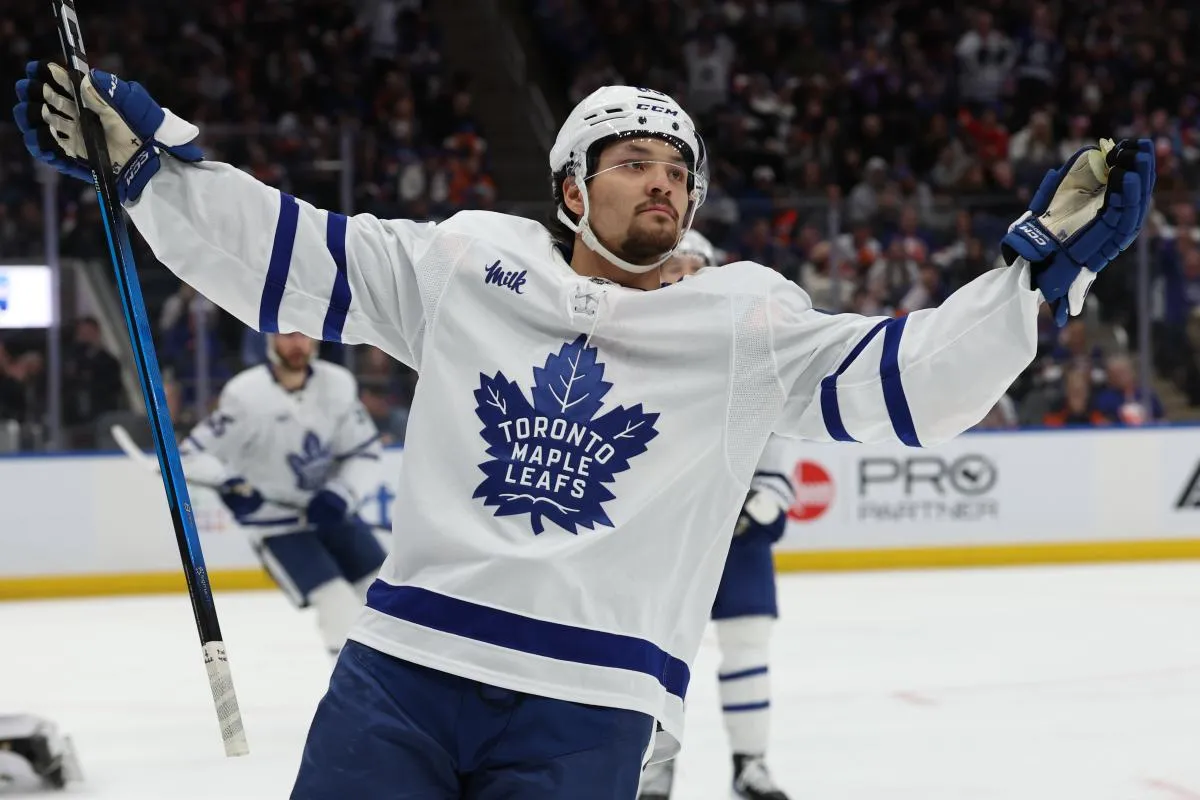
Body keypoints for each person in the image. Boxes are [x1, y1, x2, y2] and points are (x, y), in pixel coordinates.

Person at [15, 60, 1154, 798]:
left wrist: (1032, 280)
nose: (662, 184)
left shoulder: (746, 315)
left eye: (678, 171)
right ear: (570, 189)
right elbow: (289, 254)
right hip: (404, 669)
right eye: (631, 163)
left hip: (593, 706)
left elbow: (905, 385)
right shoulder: (467, 261)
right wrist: (146, 169)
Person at [641, 230, 795, 800]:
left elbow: (775, 445)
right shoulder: (634, 343)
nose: (682, 274)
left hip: (735, 536)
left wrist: (761, 504)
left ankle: (750, 763)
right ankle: (652, 766)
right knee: (651, 654)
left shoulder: (748, 349)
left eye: (692, 264)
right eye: (672, 264)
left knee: (748, 642)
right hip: (664, 537)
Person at [179, 332, 387, 658]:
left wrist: (341, 493)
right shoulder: (246, 395)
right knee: (337, 605)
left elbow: (364, 451)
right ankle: (352, 699)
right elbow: (191, 456)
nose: (298, 344)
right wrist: (230, 483)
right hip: (277, 527)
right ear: (268, 341)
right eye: (288, 335)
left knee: (383, 597)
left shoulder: (337, 384)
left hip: (332, 515)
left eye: (304, 334)